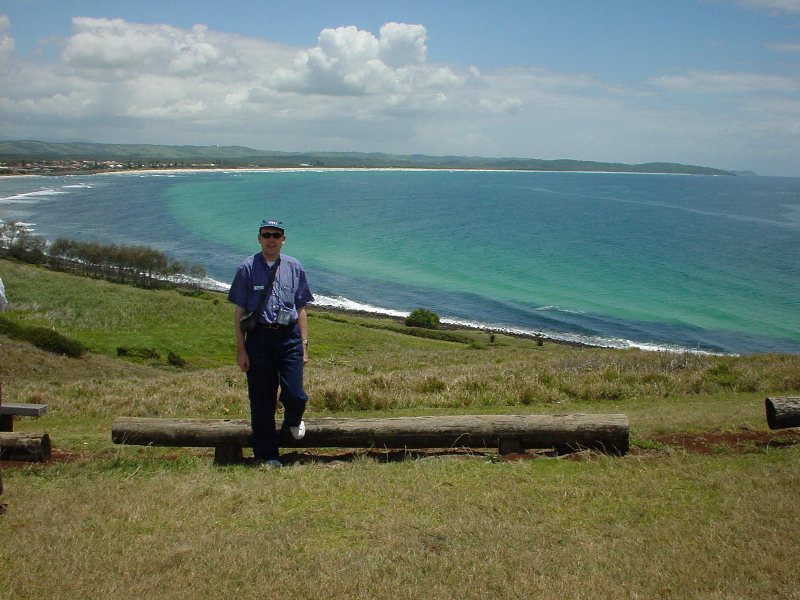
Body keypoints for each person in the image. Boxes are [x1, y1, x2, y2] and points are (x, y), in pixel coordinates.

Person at [228, 219, 314, 468]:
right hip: (259, 339)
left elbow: (301, 308)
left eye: (276, 235)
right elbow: (239, 312)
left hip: (289, 337)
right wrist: (241, 350)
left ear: (283, 240)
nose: (271, 239)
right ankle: (267, 455)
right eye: (266, 235)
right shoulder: (247, 268)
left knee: (295, 394)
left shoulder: (294, 266)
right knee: (262, 400)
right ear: (259, 238)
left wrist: (304, 344)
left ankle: (293, 420)